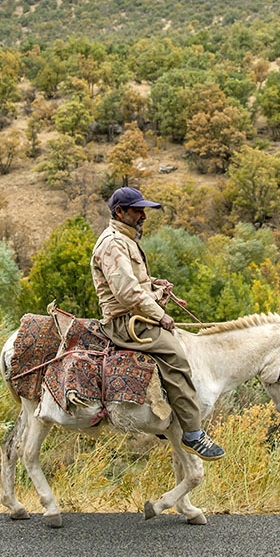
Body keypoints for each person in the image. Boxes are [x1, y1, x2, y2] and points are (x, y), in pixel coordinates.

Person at [90, 186, 225, 461]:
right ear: (120, 212)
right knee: (176, 356)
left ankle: (168, 415)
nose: (144, 216)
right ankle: (192, 433)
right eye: (138, 210)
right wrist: (160, 315)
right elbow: (127, 293)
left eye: (143, 210)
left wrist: (155, 284)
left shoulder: (124, 240)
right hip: (125, 322)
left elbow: (133, 282)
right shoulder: (113, 243)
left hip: (134, 315)